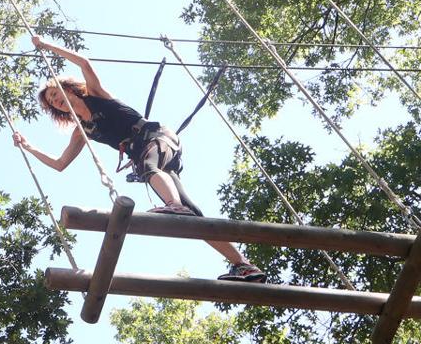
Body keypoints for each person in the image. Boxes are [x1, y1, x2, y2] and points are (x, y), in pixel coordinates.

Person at [14, 35, 267, 282]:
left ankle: (173, 205)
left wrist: (46, 45)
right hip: (149, 156)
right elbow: (60, 164)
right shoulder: (82, 131)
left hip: (157, 139)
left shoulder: (96, 95)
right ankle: (243, 265)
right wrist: (29, 147)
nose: (57, 101)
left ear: (68, 88)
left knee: (149, 168)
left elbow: (84, 63)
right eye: (53, 103)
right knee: (194, 216)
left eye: (57, 95)